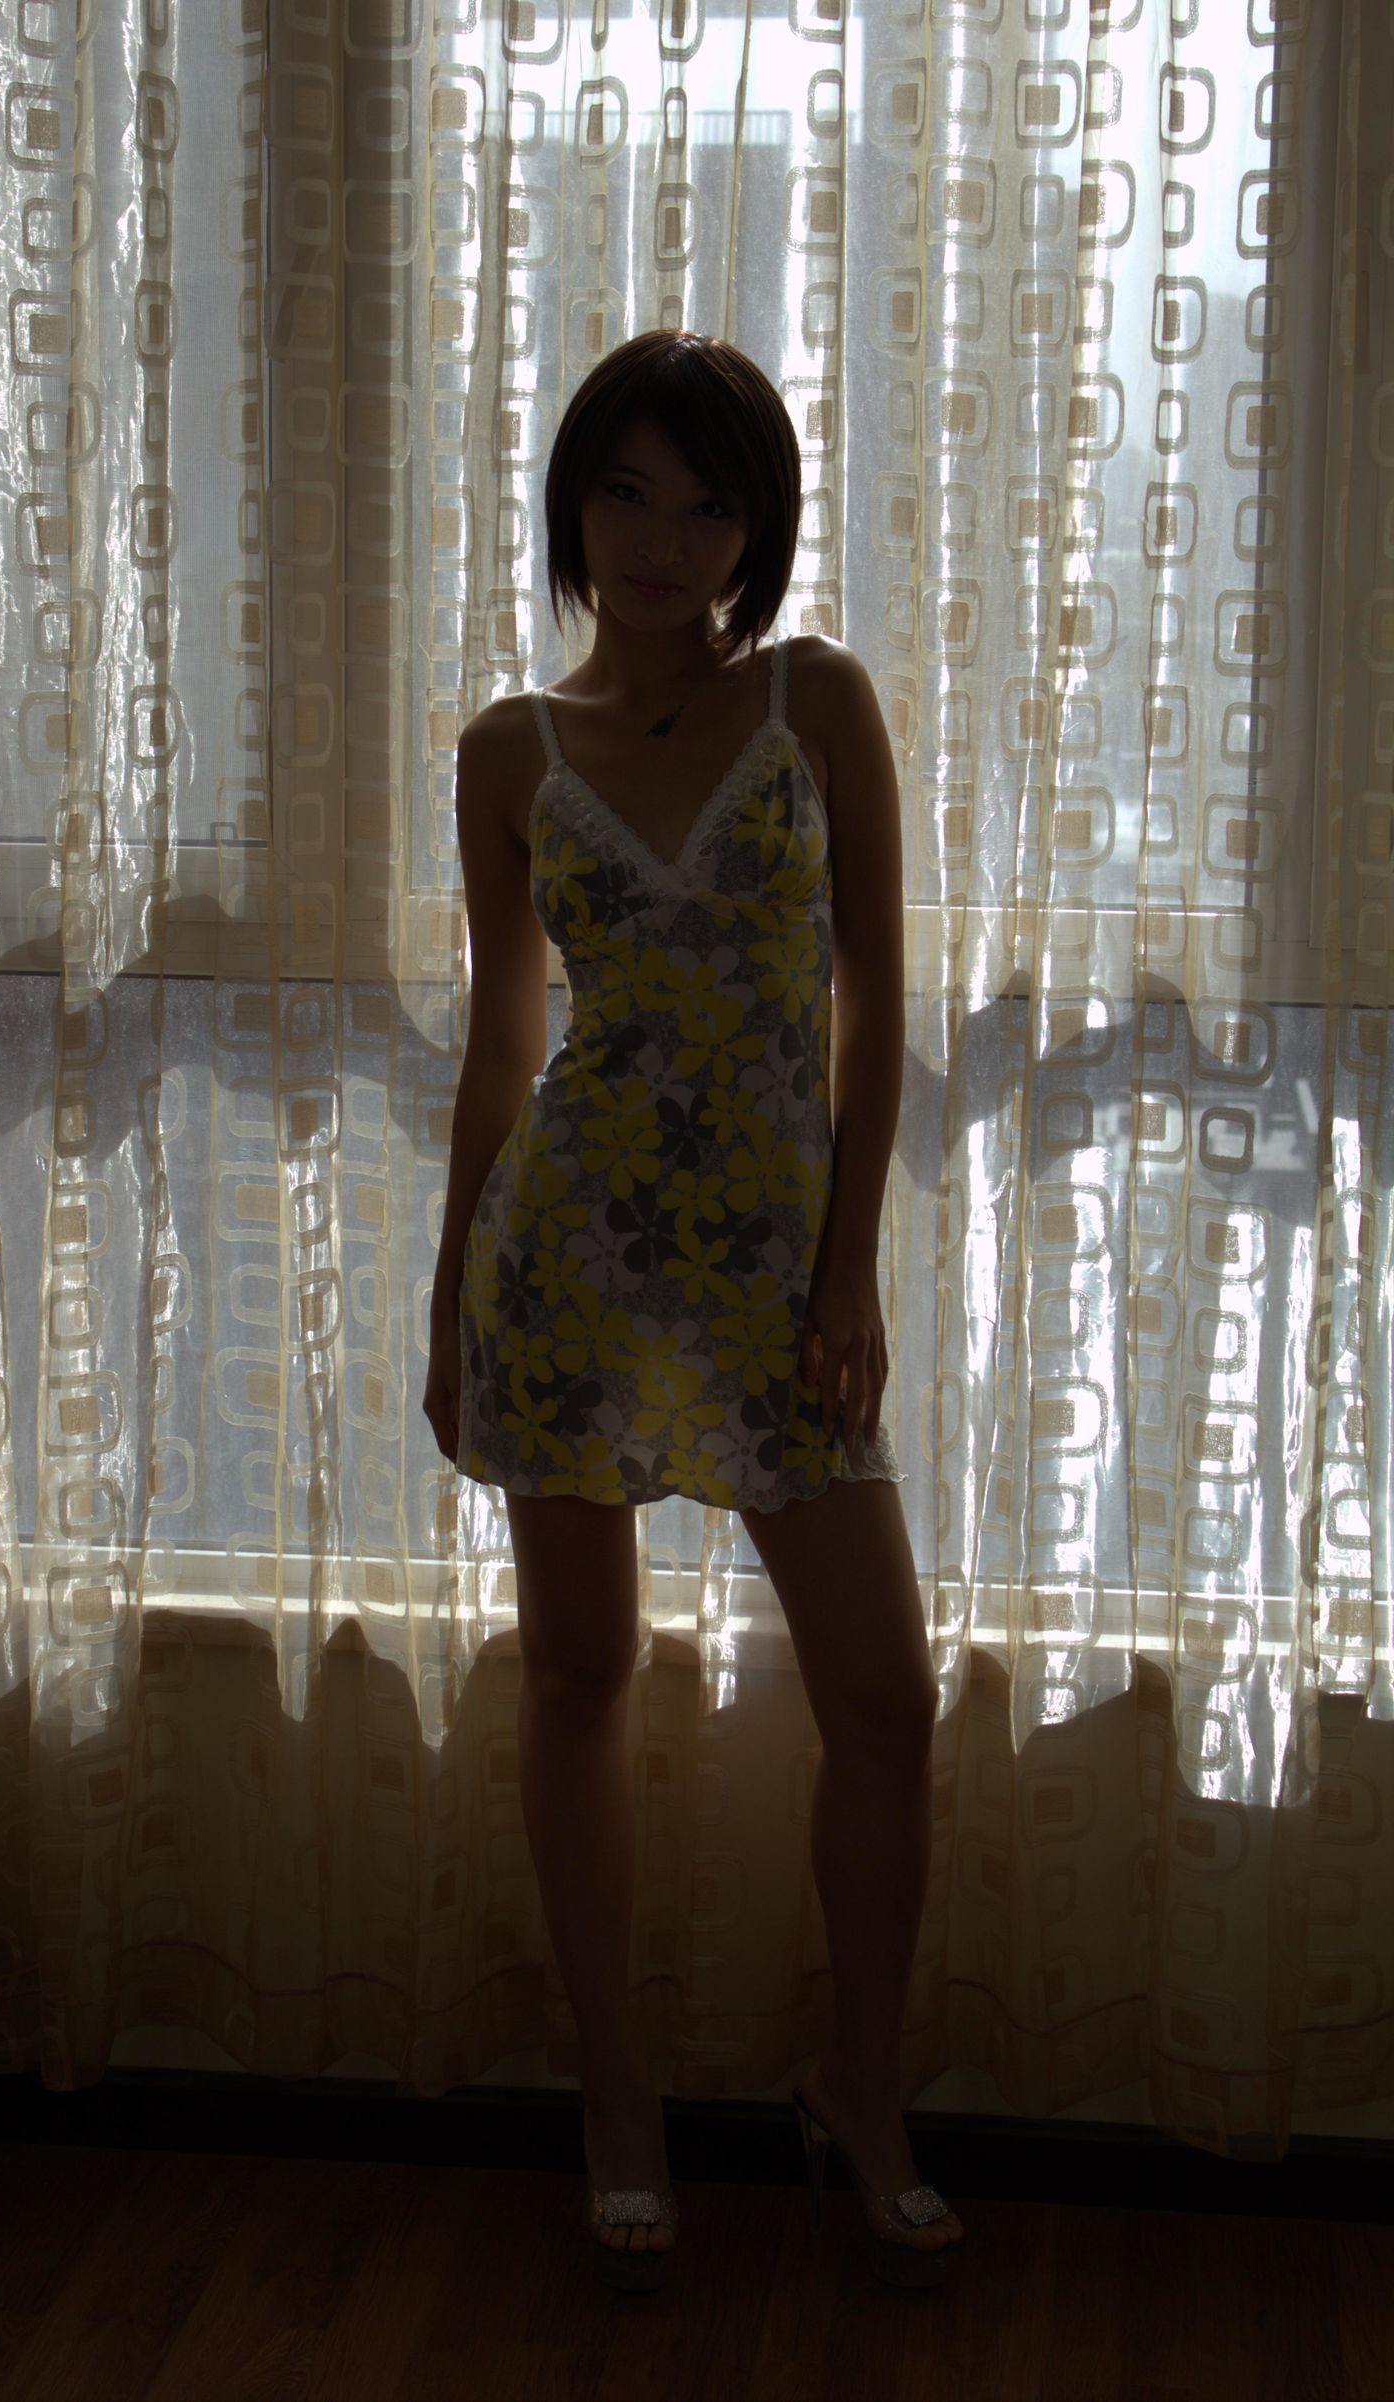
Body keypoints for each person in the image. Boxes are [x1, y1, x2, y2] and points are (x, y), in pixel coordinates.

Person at [424, 330, 964, 2294]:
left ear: (758, 529)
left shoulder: (815, 701)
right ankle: (616, 2095)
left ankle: (857, 2085)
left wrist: (851, 1264)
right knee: (581, 1679)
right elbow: (503, 1040)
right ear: (571, 500)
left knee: (884, 1700)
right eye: (626, 490)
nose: (661, 538)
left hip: (775, 1275)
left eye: (709, 501)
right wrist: (447, 1305)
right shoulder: (507, 751)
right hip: (565, 1266)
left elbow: (875, 1002)